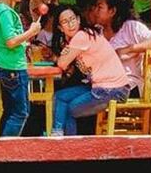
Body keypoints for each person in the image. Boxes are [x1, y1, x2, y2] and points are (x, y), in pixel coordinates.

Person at [50, 7, 131, 136]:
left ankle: (66, 145)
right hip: (100, 87)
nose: (70, 24)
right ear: (60, 28)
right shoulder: (77, 39)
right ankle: (57, 133)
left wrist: (63, 55)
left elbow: (62, 63)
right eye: (65, 22)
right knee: (59, 96)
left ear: (78, 20)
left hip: (112, 90)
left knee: (69, 109)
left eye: (72, 19)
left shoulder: (82, 35)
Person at [0, 0, 41, 137]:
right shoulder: (5, 12)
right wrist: (31, 32)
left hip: (6, 65)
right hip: (13, 68)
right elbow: (10, 42)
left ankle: (1, 145)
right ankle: (6, 146)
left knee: (10, 111)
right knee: (20, 112)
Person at [93, 0, 151, 97]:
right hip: (103, 84)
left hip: (127, 86)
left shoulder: (131, 27)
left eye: (100, 7)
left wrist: (130, 49)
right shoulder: (97, 32)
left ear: (112, 11)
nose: (95, 11)